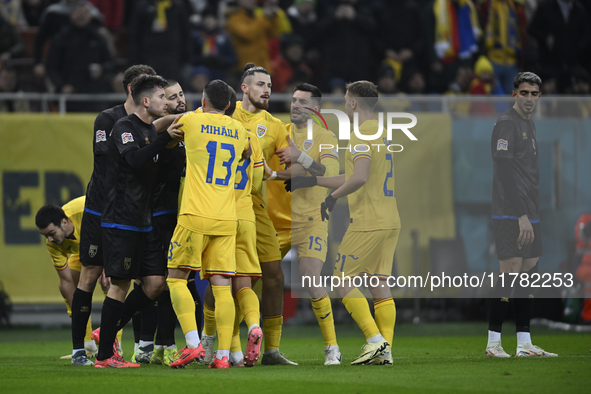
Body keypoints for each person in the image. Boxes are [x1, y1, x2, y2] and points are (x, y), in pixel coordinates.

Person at [290, 81, 400, 366]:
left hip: (368, 221)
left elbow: (359, 178)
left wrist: (332, 199)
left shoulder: (360, 134)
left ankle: (375, 341)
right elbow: (351, 176)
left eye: (345, 99)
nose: (343, 104)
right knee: (379, 285)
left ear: (353, 103)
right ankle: (385, 352)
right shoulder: (381, 133)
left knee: (341, 279)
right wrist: (313, 180)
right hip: (390, 220)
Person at [95, 75, 184, 368]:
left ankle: (106, 331)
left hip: (143, 221)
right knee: (119, 286)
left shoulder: (148, 129)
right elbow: (134, 161)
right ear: (146, 101)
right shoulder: (124, 127)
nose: (167, 102)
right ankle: (105, 355)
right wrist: (165, 139)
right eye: (162, 97)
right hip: (121, 220)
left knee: (157, 283)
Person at [73, 65, 156, 367]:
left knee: (144, 281)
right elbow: (108, 159)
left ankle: (114, 341)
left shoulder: (150, 124)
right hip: (103, 209)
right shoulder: (108, 120)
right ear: (134, 90)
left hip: (136, 212)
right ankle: (80, 350)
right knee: (92, 275)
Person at [166, 79, 250, 369]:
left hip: (194, 215)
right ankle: (224, 356)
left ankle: (192, 345)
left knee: (176, 279)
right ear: (229, 105)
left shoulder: (191, 120)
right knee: (222, 288)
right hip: (227, 218)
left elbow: (168, 129)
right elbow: (248, 153)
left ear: (203, 101)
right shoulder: (240, 130)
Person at [228, 63, 296, 365]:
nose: (266, 89)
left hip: (257, 208)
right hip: (225, 206)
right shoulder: (225, 116)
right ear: (244, 88)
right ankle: (214, 344)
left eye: (269, 85)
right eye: (259, 84)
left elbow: (294, 168)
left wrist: (277, 173)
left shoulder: (275, 125)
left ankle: (271, 350)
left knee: (274, 276)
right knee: (224, 278)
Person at [486, 71, 557, 358]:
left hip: (530, 210)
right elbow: (503, 170)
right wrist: (520, 215)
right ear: (514, 94)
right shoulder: (506, 124)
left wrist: (530, 212)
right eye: (524, 93)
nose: (529, 99)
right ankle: (493, 343)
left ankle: (525, 343)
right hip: (510, 212)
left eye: (534, 94)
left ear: (540, 96)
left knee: (529, 270)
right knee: (510, 271)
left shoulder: (529, 124)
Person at [275, 83, 342, 365]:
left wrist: (299, 158)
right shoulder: (280, 131)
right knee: (250, 278)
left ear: (315, 109)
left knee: (311, 279)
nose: (295, 105)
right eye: (293, 100)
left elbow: (331, 172)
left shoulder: (325, 136)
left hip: (311, 218)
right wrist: (296, 167)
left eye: (303, 102)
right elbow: (277, 171)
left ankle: (332, 347)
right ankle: (235, 347)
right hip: (277, 220)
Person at [36, 197, 98, 366]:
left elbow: (112, 227)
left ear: (64, 222)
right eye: (45, 236)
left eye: (51, 234)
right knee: (68, 287)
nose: (49, 240)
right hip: (83, 250)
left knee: (111, 281)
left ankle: (116, 346)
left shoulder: (84, 211)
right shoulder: (53, 243)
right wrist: (79, 309)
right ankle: (86, 344)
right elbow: (66, 281)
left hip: (109, 239)